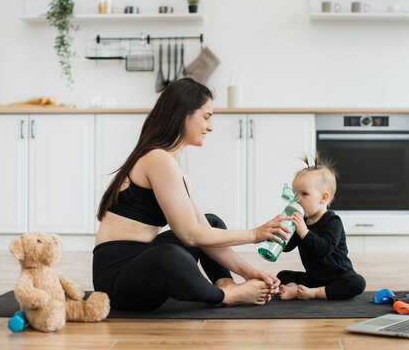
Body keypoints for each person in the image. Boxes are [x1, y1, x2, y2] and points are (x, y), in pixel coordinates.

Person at [93, 78, 291, 311]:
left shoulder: (172, 165)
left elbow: (202, 229)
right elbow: (189, 235)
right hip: (117, 280)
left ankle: (225, 282)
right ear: (183, 114)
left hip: (140, 261)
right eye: (206, 117)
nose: (210, 126)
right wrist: (254, 234)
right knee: (170, 255)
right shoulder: (157, 159)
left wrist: (251, 273)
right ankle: (224, 295)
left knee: (212, 222)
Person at [277, 154, 366, 301]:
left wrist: (304, 231)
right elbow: (287, 247)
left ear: (323, 198)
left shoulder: (333, 221)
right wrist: (283, 231)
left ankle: (314, 293)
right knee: (283, 275)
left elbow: (324, 249)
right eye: (295, 194)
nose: (297, 199)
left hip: (339, 277)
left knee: (357, 283)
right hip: (314, 278)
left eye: (304, 194)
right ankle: (295, 290)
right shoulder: (301, 221)